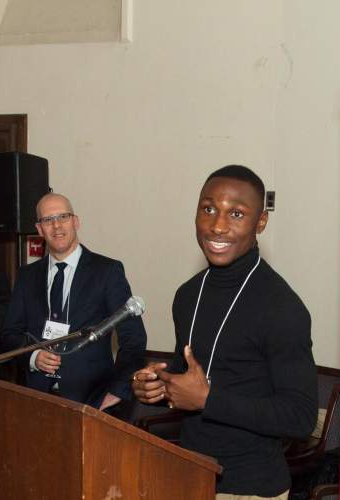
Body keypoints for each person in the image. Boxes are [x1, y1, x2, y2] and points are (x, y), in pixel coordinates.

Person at [132, 165, 317, 499]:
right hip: (189, 476)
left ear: (260, 222)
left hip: (251, 488)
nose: (217, 225)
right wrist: (158, 385)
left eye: (236, 213)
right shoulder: (188, 294)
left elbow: (300, 417)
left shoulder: (282, 307)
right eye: (208, 209)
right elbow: (189, 371)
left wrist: (208, 399)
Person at [0, 193, 146, 416]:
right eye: (48, 220)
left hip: (92, 402)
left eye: (63, 217)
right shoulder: (27, 276)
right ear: (39, 229)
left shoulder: (107, 271)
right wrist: (33, 357)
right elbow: (9, 332)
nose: (56, 226)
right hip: (37, 399)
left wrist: (117, 393)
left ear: (76, 221)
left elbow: (133, 337)